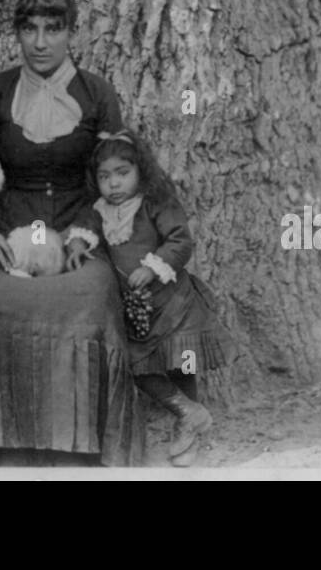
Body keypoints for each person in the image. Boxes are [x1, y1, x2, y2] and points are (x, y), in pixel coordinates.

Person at [0, 0, 144, 466]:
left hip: (79, 230)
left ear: (70, 33)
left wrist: (81, 233)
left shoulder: (97, 92)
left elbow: (112, 176)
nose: (40, 42)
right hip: (8, 229)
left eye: (53, 29)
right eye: (29, 29)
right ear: (17, 33)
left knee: (90, 299)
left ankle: (80, 438)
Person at [88, 128, 240, 466]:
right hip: (138, 311)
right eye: (105, 176)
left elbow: (180, 241)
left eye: (123, 173)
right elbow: (93, 244)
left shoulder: (154, 202)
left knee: (182, 362)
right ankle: (190, 411)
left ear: (140, 170)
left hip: (172, 303)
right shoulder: (99, 212)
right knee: (136, 366)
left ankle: (189, 429)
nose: (114, 184)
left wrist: (154, 266)